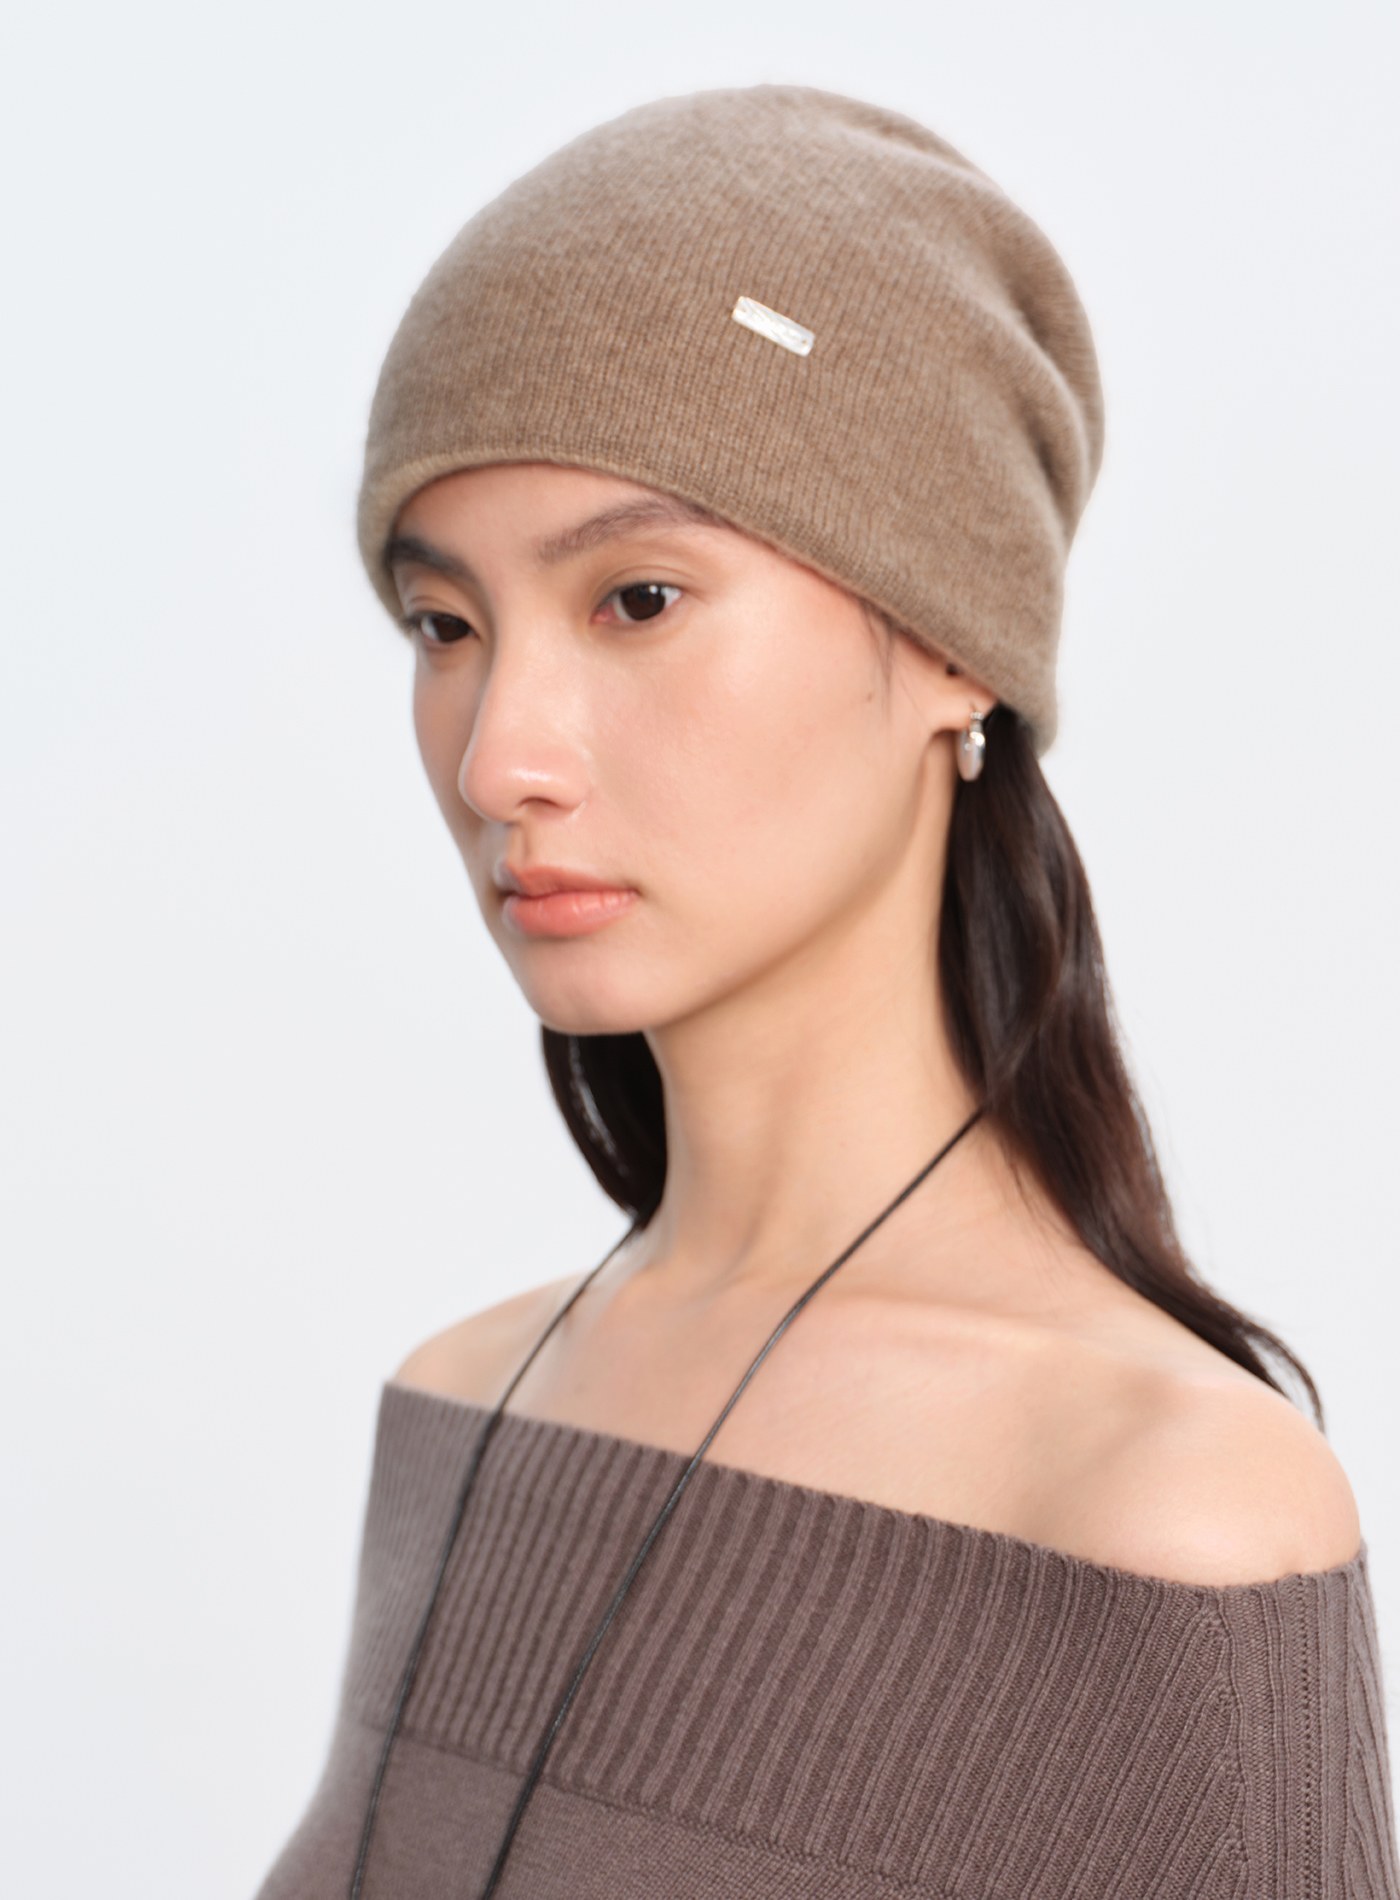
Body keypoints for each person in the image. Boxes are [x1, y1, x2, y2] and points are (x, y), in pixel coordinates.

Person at [253, 84, 1400, 1900]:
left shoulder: (1160, 1508)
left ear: (951, 642)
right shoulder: (468, 1405)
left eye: (637, 599)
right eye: (444, 626)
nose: (498, 759)